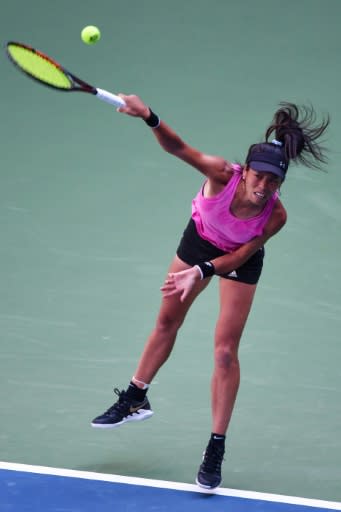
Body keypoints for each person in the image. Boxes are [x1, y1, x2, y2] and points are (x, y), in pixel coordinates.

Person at [91, 96, 329, 489]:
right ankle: (135, 396)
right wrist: (149, 117)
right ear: (246, 170)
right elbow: (178, 147)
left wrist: (200, 273)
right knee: (168, 320)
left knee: (224, 352)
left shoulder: (277, 216)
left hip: (237, 259)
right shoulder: (221, 173)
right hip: (200, 240)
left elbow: (241, 254)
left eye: (274, 181)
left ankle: (215, 446)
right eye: (259, 177)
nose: (264, 186)